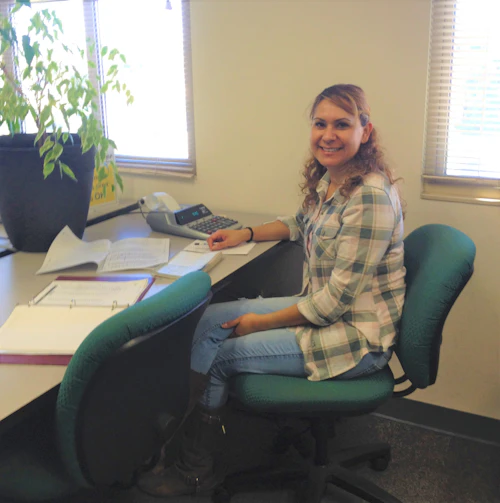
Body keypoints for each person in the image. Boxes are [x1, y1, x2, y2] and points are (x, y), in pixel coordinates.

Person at [138, 83, 406, 497]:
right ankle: (175, 433)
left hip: (356, 337)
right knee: (209, 318)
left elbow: (334, 303)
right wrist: (243, 233)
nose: (328, 134)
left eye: (342, 124)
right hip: (321, 309)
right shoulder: (334, 181)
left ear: (365, 131)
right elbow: (297, 223)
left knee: (222, 353)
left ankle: (194, 469)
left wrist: (258, 324)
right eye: (320, 124)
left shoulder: (369, 197)